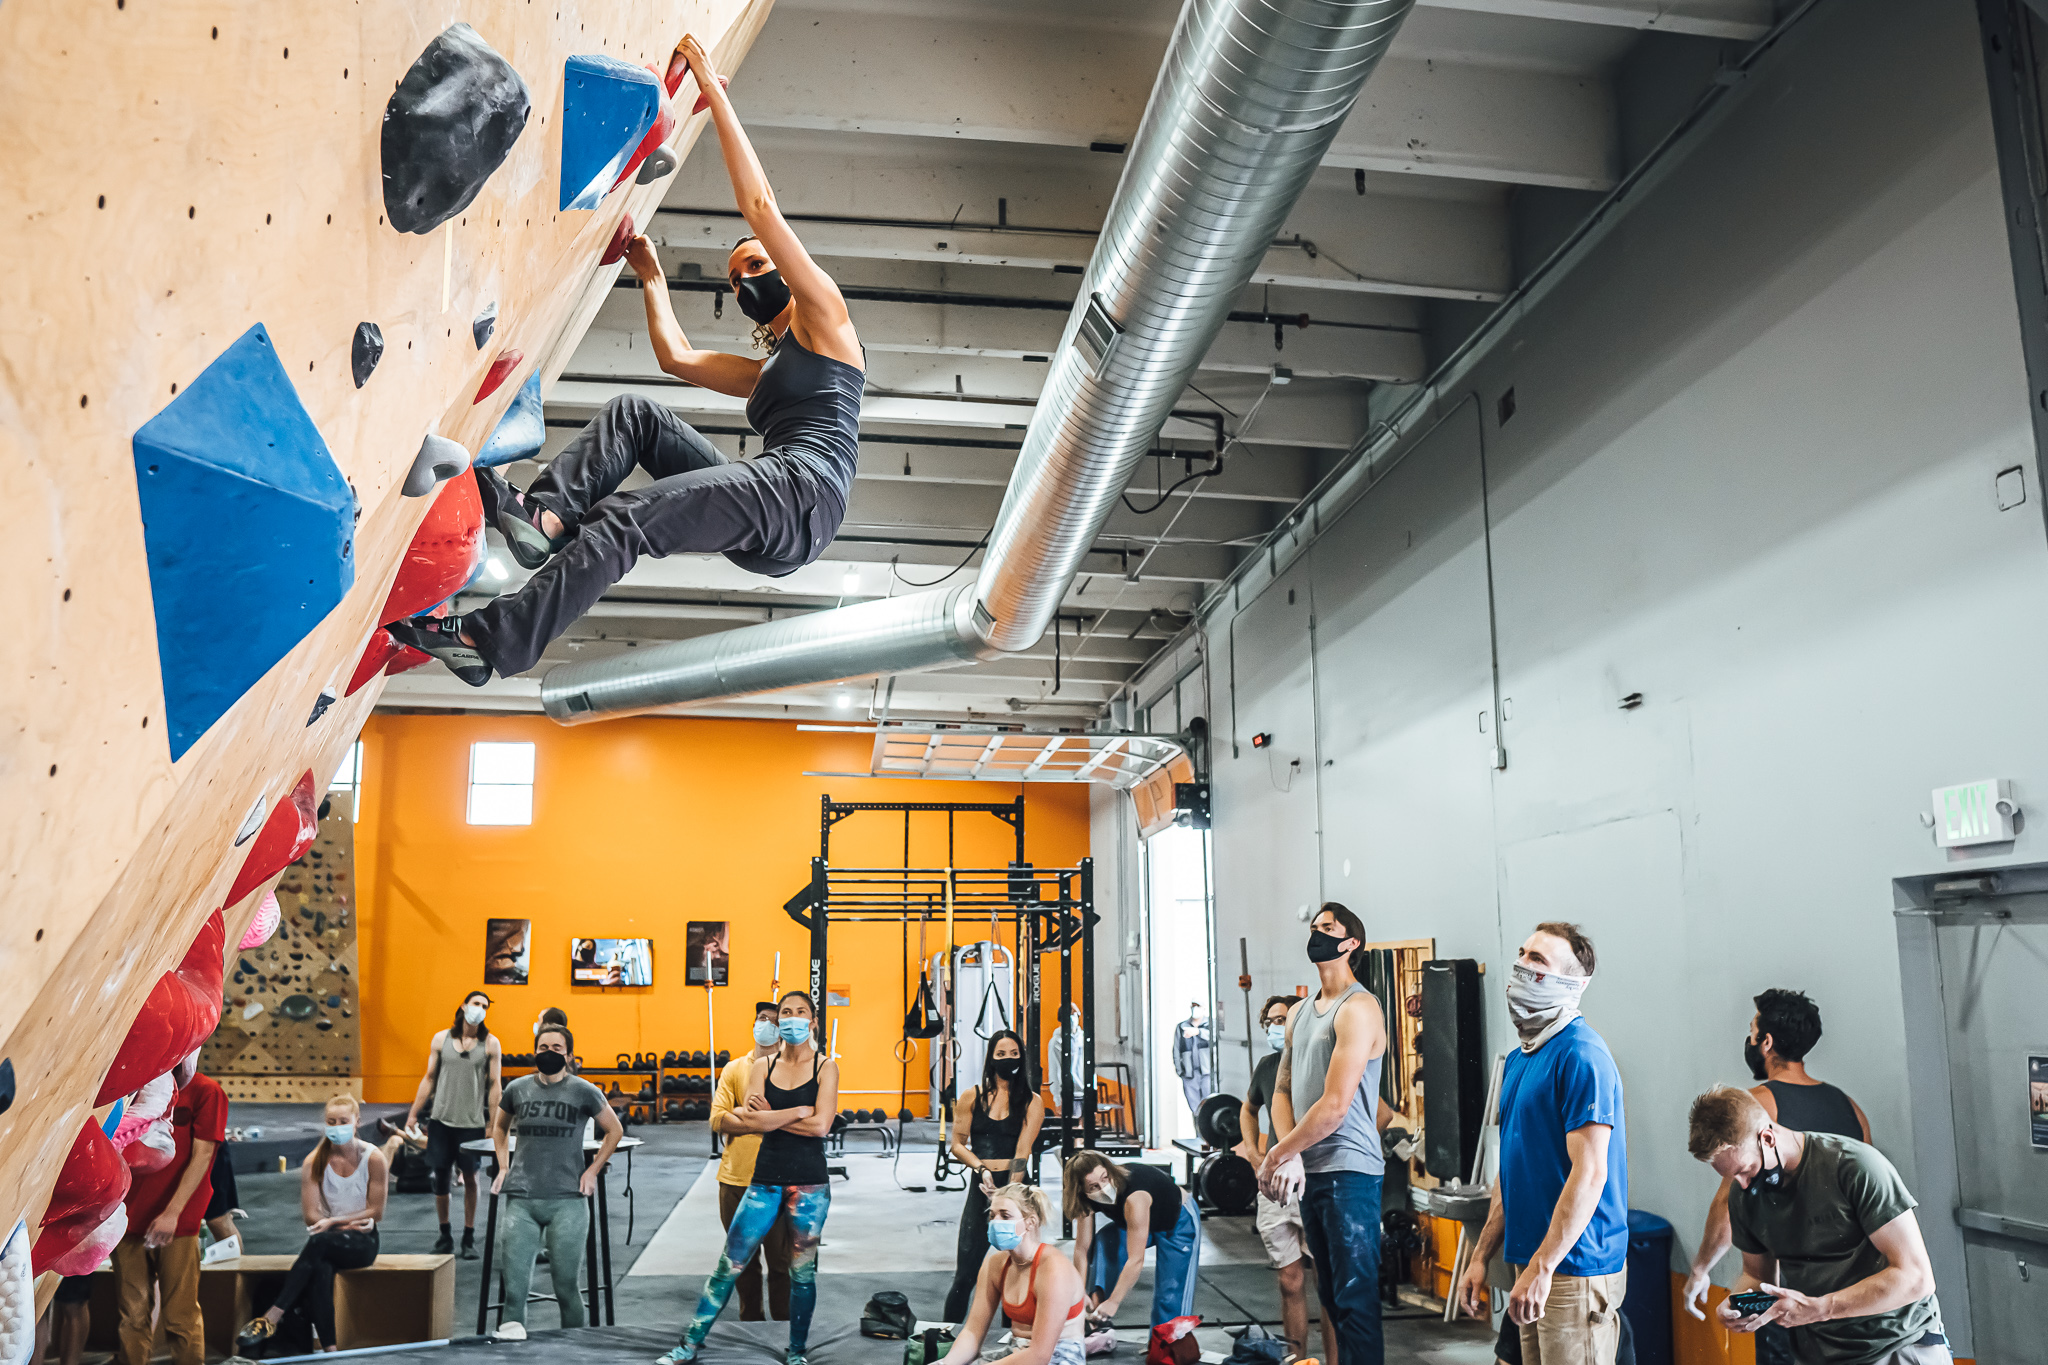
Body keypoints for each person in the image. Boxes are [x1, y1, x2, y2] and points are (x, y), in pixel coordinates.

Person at [391, 33, 866, 687]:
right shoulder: (775, 372)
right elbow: (676, 359)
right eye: (734, 280)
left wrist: (706, 82)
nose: (745, 282)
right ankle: (547, 514)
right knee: (636, 416)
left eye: (753, 264)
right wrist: (651, 276)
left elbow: (760, 206)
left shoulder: (829, 321)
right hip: (787, 512)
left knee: (625, 522)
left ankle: (491, 639)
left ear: (784, 268)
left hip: (803, 490)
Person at [1455, 923, 1628, 1365]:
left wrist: (1545, 1266)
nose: (1521, 965)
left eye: (1538, 960)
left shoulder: (1582, 1056)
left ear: (1574, 984)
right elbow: (1512, 1170)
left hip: (1572, 1270)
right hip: (1530, 1262)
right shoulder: (1519, 1060)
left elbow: (1589, 1174)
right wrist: (1481, 1257)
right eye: (1522, 953)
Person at [1687, 1085, 1949, 1365]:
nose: (1741, 1184)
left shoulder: (1855, 1167)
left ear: (1767, 1137)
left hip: (1897, 1345)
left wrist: (1822, 1308)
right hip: (1819, 1355)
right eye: (1731, 1177)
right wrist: (1738, 1304)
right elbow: (1756, 1276)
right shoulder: (1745, 1195)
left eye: (1745, 1170)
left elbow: (1916, 1277)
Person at [1684, 990, 1872, 1365]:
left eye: (1753, 1031)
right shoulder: (1851, 1108)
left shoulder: (1755, 1108)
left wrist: (1700, 1269)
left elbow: (1728, 1206)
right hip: (1854, 1297)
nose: (1750, 1040)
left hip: (1786, 1296)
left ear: (1765, 1042)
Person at [661, 991, 839, 1365]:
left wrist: (777, 1116)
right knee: (731, 1263)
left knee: (801, 1274)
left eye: (800, 1012)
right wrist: (800, 1110)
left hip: (809, 1184)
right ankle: (689, 1344)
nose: (791, 1018)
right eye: (785, 1012)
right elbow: (749, 1121)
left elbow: (822, 1126)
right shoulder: (762, 1067)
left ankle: (796, 1350)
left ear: (813, 1021)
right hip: (764, 1178)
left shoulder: (826, 1068)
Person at [1258, 904, 1389, 1365]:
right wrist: (1288, 1154)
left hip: (1349, 1170)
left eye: (1327, 929)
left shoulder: (1360, 1008)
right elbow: (1283, 1091)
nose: (1317, 935)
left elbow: (1334, 1107)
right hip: (1310, 1168)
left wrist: (1280, 1154)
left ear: (1351, 943)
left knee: (1355, 1303)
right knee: (1331, 1296)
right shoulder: (1298, 1014)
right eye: (1314, 928)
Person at [489, 1023, 622, 1340]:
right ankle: (512, 1355)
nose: (548, 1054)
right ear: (535, 1051)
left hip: (568, 1201)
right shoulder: (517, 1089)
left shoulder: (584, 1091)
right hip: (522, 1200)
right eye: (543, 1048)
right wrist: (504, 1166)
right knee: (515, 1290)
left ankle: (574, 1353)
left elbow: (614, 1131)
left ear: (569, 1055)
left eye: (556, 1049)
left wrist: (593, 1171)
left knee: (566, 1288)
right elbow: (499, 1129)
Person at [233, 1096, 389, 1356]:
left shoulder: (373, 1158)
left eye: (342, 1122)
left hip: (362, 1242)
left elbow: (377, 1211)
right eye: (331, 1122)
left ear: (356, 1123)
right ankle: (331, 1348)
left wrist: (333, 1222)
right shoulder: (314, 1161)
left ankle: (273, 1315)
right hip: (329, 1239)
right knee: (321, 1269)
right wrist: (337, 1225)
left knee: (318, 1244)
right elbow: (310, 1215)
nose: (336, 1126)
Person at [1239, 994, 1337, 1365]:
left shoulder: (1322, 1061)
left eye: (1283, 1020)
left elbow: (1379, 1115)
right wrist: (1253, 1152)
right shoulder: (1267, 1066)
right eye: (1270, 1021)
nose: (1276, 1027)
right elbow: (1248, 1109)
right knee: (1289, 1281)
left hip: (1315, 1179)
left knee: (1325, 1283)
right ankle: (1298, 1362)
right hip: (1275, 1182)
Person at [112, 1056, 224, 1365]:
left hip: (177, 1221)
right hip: (126, 1216)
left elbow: (203, 1157)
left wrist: (173, 1213)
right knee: (132, 1316)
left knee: (180, 1317)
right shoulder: (128, 1091)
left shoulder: (205, 1091)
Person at [944, 1030, 1047, 1321]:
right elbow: (957, 1145)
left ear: (1021, 1057)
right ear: (991, 1058)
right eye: (1001, 1054)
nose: (1008, 1060)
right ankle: (943, 1340)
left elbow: (1023, 1150)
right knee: (965, 1273)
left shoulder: (1032, 1101)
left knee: (1019, 1268)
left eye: (1014, 1054)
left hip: (1014, 1191)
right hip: (982, 1188)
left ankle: (1015, 1339)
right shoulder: (971, 1097)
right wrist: (981, 1170)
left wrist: (1009, 1194)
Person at [710, 1002, 797, 1321]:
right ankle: (751, 1327)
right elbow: (717, 1119)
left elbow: (803, 1121)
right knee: (742, 1264)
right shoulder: (734, 1069)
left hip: (776, 1181)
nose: (767, 1025)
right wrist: (765, 1120)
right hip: (734, 1181)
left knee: (780, 1264)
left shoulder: (791, 1071)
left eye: (775, 1021)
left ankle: (783, 1333)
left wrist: (747, 1116)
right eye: (762, 1018)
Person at [400, 990, 501, 1258]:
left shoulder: (490, 1044)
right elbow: (429, 1078)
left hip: (471, 1123)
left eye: (484, 1005)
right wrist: (413, 1113)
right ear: (464, 1006)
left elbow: (495, 1086)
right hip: (441, 1120)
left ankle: (468, 1237)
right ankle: (444, 1234)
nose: (479, 1008)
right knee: (441, 1178)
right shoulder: (441, 1039)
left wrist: (493, 1122)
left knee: (470, 1178)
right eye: (476, 1003)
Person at [939, 1184, 1087, 1365]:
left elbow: (1039, 1356)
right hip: (1018, 1350)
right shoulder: (995, 1264)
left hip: (1058, 1356)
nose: (995, 1222)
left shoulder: (1054, 1269)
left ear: (1030, 1222)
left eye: (1005, 1215)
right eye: (992, 1216)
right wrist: (945, 1363)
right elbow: (972, 1332)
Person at [1065, 1152, 1200, 1327]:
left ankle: (1168, 1347)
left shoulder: (1135, 1197)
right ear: (1082, 1191)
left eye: (1105, 1178)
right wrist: (1079, 1293)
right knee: (1104, 1243)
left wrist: (1115, 1302)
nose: (1103, 1188)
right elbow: (1082, 1249)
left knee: (1170, 1292)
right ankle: (1096, 1314)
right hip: (1137, 1221)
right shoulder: (1084, 1201)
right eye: (1094, 1187)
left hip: (1177, 1220)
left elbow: (1135, 1260)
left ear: (1109, 1170)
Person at [1046, 1004, 1087, 1123]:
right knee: (1071, 1129)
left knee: (1082, 1130)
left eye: (1075, 1014)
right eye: (1070, 1014)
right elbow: (1054, 1070)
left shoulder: (1083, 1039)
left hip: (1084, 1091)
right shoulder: (1056, 1042)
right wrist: (1058, 1099)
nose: (1074, 1017)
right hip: (1068, 1093)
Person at [1172, 1003, 1213, 1118]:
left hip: (1207, 1073)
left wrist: (1198, 1032)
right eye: (1193, 1006)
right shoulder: (1182, 1026)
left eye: (1198, 1006)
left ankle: (1207, 1134)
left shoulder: (1210, 1024)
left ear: (1204, 1008)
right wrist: (1180, 1071)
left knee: (1209, 1105)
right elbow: (1176, 1050)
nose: (1195, 1009)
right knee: (1195, 1109)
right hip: (1190, 1073)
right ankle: (1198, 1134)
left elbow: (1215, 1038)